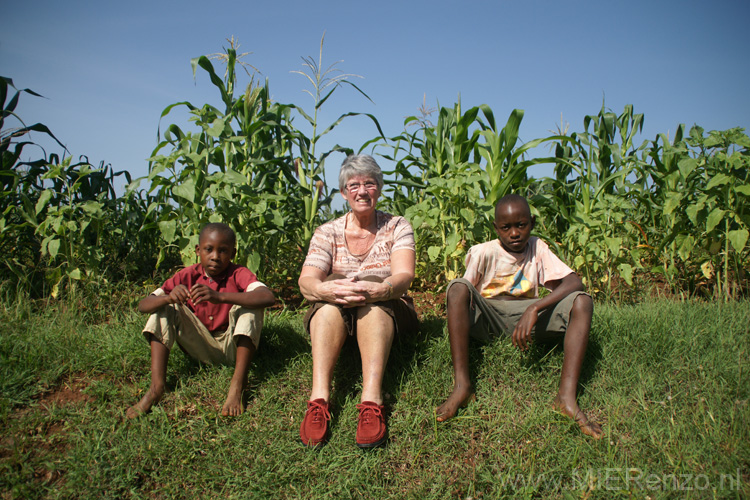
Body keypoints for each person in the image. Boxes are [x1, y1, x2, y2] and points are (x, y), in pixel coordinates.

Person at [435, 194, 602, 439]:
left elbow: (574, 282)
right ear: (496, 228)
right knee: (457, 287)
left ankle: (566, 398)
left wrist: (534, 308)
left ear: (532, 223)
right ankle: (462, 386)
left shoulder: (537, 247)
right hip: (490, 318)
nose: (514, 233)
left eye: (521, 225)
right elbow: (464, 294)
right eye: (506, 227)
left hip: (528, 320)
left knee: (583, 301)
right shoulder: (483, 252)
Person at [298, 154, 418, 448]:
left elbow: (404, 275)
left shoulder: (397, 226)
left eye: (369, 183)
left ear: (379, 188)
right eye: (354, 185)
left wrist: (379, 289)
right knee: (326, 303)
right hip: (337, 313)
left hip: (386, 310)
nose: (362, 191)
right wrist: (330, 291)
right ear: (343, 193)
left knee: (374, 303)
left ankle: (371, 400)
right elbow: (307, 282)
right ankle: (319, 400)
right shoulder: (327, 232)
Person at [126, 222, 276, 418]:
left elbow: (268, 297)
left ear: (233, 253)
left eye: (223, 251)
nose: (215, 256)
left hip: (232, 345)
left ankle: (237, 385)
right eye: (209, 249)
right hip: (199, 346)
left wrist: (219, 296)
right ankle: (156, 388)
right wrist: (169, 297)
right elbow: (143, 305)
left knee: (252, 308)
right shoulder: (187, 275)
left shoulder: (238, 273)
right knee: (163, 307)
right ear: (198, 250)